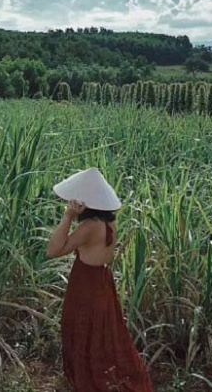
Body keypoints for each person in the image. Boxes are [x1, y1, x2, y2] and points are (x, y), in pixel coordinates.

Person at [46, 167, 154, 392]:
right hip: (102, 280)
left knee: (82, 328)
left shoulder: (90, 226)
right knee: (103, 332)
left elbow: (54, 250)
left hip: (86, 282)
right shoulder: (108, 223)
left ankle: (88, 377)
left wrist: (68, 216)